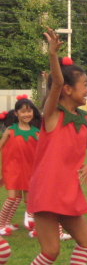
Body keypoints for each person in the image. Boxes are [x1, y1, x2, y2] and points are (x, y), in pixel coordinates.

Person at [18, 29, 87, 265]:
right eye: (84, 84)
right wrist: (53, 53)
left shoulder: (83, 120)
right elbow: (54, 81)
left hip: (69, 191)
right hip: (48, 190)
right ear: (67, 89)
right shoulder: (53, 115)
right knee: (51, 251)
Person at [0, 95, 41, 236]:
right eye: (23, 111)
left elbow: (43, 153)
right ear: (16, 113)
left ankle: (34, 227)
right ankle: (1, 224)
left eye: (29, 111)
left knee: (29, 201)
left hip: (30, 171)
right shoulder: (10, 130)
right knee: (12, 197)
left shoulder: (37, 132)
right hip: (12, 170)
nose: (26, 114)